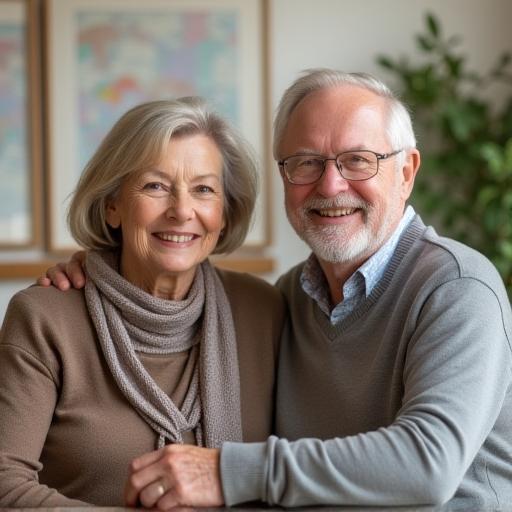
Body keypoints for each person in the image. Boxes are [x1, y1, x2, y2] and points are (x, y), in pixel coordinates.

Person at [39, 69, 512, 510]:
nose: (330, 185)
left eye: (357, 161)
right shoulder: (288, 300)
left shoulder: (456, 287)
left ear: (406, 172)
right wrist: (102, 269)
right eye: (305, 163)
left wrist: (227, 472)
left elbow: (429, 463)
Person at [0, 97, 286, 507]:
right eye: (156, 186)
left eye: (203, 189)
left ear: (224, 214)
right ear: (113, 205)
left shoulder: (264, 310)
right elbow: (5, 485)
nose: (181, 210)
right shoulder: (45, 318)